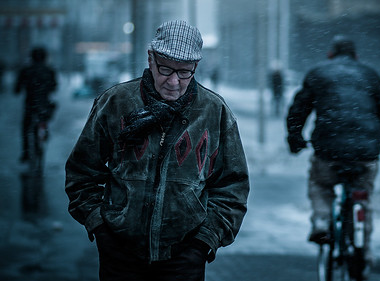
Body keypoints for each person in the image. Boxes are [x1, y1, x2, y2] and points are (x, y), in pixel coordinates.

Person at [65, 20, 250, 281]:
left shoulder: (214, 112)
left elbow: (232, 188)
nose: (173, 81)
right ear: (150, 59)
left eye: (184, 72)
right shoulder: (116, 103)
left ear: (196, 67)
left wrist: (203, 242)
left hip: (185, 258)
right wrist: (101, 227)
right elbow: (81, 173)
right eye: (165, 69)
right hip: (120, 254)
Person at [286, 35, 380, 275]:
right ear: (356, 56)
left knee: (321, 183)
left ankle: (322, 220)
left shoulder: (318, 73)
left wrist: (295, 139)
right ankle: (363, 248)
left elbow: (298, 110)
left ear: (330, 54)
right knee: (362, 196)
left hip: (329, 148)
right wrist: (375, 138)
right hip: (365, 152)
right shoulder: (370, 74)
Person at [15, 47, 57, 162]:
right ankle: (44, 133)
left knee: (26, 128)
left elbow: (17, 89)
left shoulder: (26, 70)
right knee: (43, 121)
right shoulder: (49, 70)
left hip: (30, 104)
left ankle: (25, 153)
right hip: (44, 104)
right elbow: (54, 87)